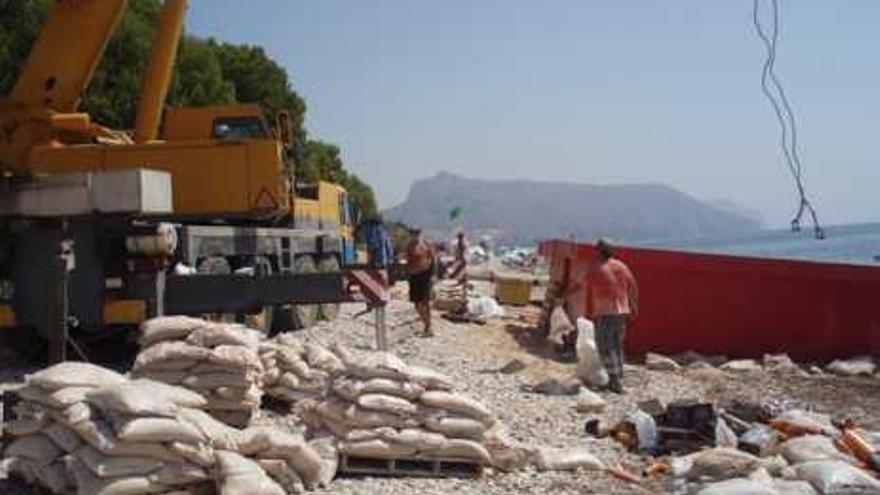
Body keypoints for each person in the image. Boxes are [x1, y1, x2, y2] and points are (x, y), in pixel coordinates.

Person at [585, 238, 638, 394]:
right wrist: (634, 306)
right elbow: (633, 285)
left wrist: (563, 296)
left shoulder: (596, 267)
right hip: (621, 311)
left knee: (605, 345)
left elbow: (580, 284)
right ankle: (618, 377)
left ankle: (614, 381)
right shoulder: (621, 266)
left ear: (598, 251)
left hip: (605, 312)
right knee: (616, 344)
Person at [405, 228, 436, 336]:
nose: (416, 235)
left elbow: (433, 259)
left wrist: (433, 275)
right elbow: (408, 260)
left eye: (417, 233)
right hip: (414, 276)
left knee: (425, 302)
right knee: (417, 303)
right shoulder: (409, 246)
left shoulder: (426, 244)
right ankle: (426, 324)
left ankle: (428, 327)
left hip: (425, 275)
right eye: (414, 233)